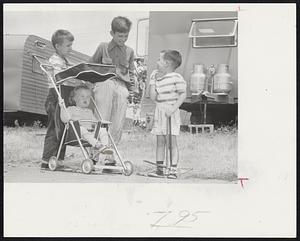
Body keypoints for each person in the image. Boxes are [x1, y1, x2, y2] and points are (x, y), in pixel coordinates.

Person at [89, 16, 137, 165]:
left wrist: (132, 90)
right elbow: (90, 65)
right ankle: (94, 153)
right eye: (119, 36)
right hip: (104, 83)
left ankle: (111, 156)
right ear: (112, 33)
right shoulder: (103, 47)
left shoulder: (129, 51)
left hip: (121, 87)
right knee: (102, 119)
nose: (123, 39)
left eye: (126, 36)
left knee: (117, 123)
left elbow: (132, 72)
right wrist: (90, 86)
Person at [41, 29, 78, 169]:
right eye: (68, 46)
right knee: (54, 128)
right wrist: (73, 76)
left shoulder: (64, 60)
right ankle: (47, 159)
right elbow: (59, 77)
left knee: (64, 128)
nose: (71, 48)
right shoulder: (54, 61)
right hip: (56, 96)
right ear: (58, 46)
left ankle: (59, 160)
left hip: (65, 95)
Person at [148, 50, 187, 179]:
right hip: (160, 112)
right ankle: (159, 169)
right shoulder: (158, 79)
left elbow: (183, 94)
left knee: (171, 142)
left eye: (159, 60)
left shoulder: (177, 78)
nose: (157, 62)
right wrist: (152, 81)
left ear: (167, 63)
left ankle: (173, 170)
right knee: (160, 141)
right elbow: (153, 97)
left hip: (171, 112)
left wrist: (174, 108)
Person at [59, 85, 113, 156]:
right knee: (81, 129)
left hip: (90, 134)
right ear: (75, 98)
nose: (85, 99)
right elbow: (64, 119)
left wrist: (101, 123)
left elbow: (95, 123)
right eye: (82, 96)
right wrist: (62, 108)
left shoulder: (89, 111)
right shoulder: (71, 109)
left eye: (88, 97)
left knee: (102, 130)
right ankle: (98, 145)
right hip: (76, 134)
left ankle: (105, 146)